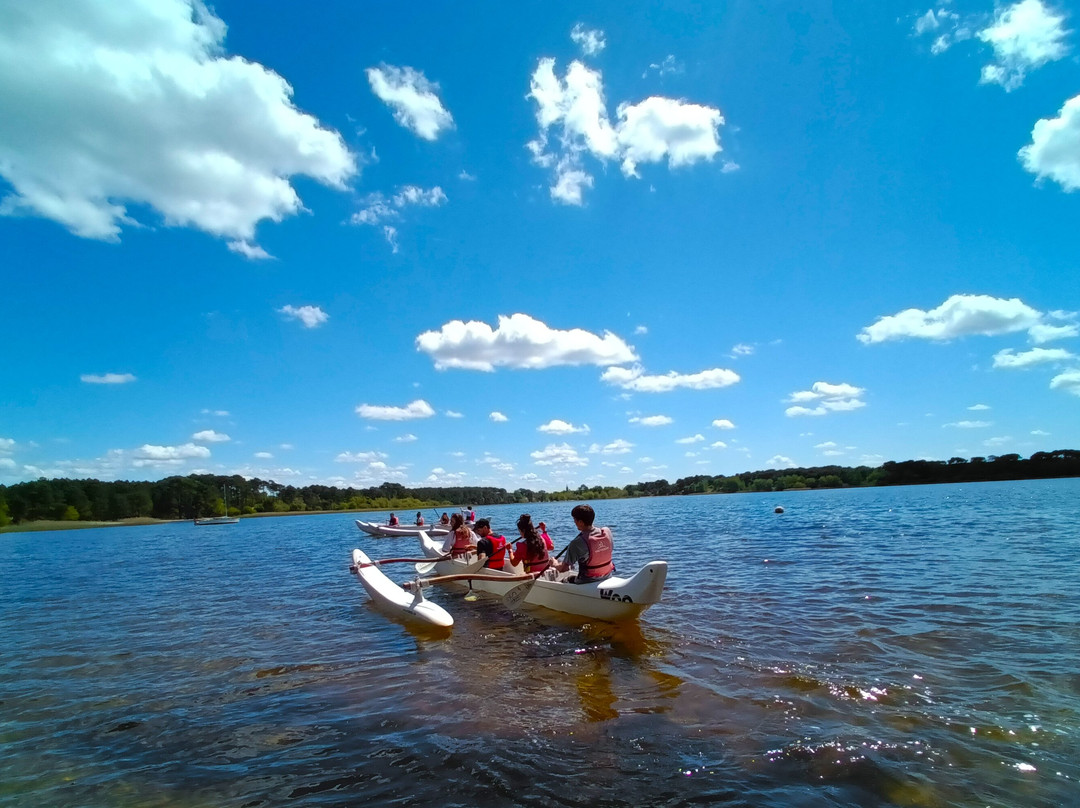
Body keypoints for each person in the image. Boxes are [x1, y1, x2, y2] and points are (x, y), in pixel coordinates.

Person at [555, 504, 614, 584]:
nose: (574, 522)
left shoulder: (577, 543)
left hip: (587, 581)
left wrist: (554, 564)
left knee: (564, 581)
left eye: (574, 519)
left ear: (580, 522)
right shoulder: (607, 532)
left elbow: (564, 568)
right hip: (607, 576)